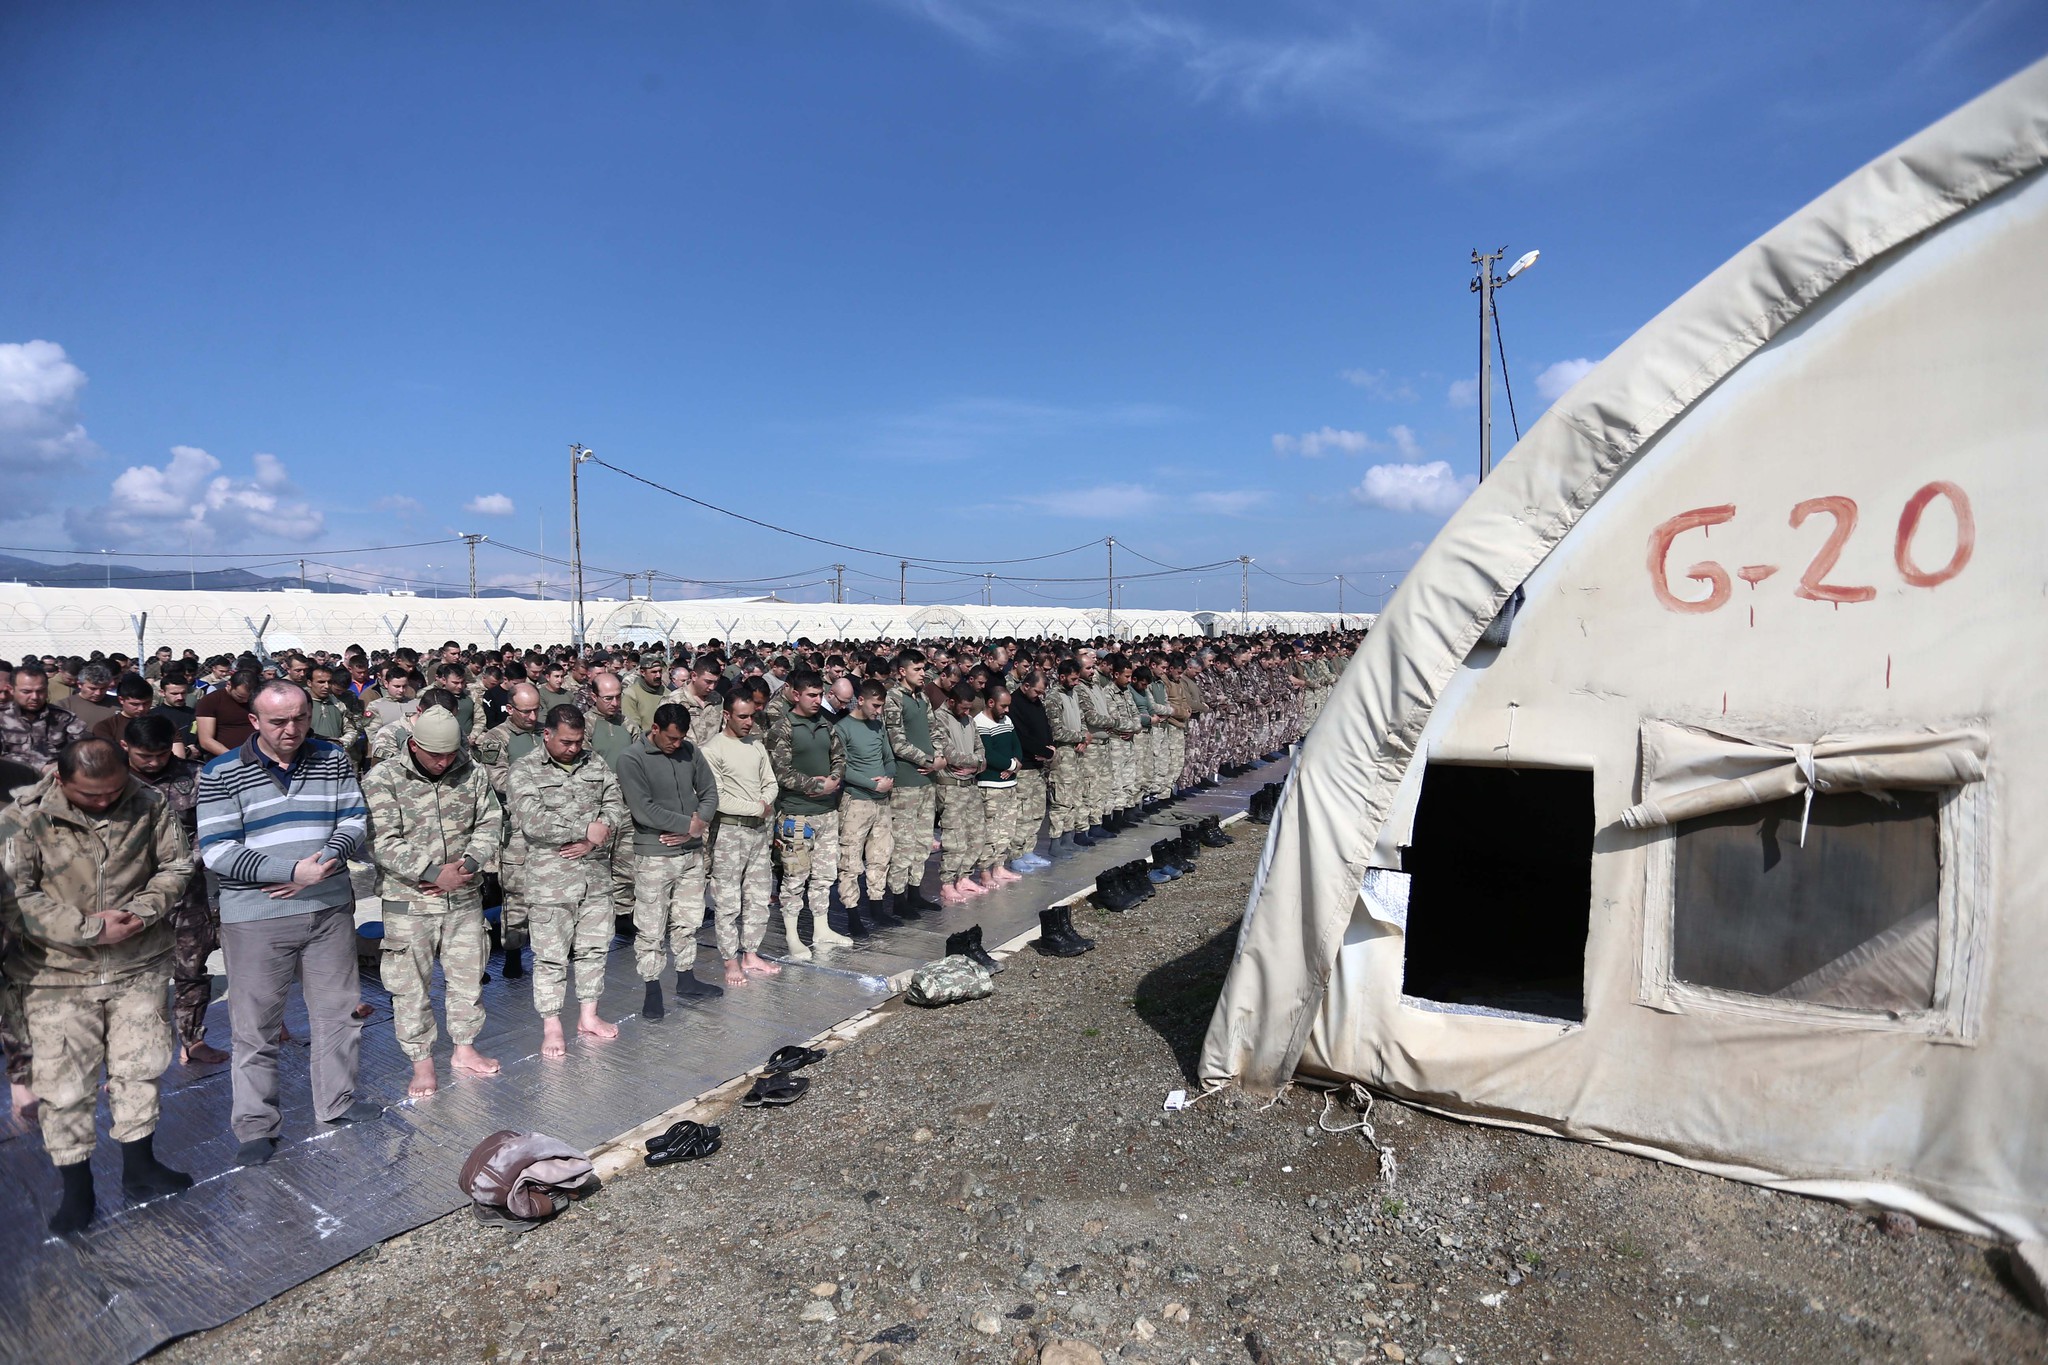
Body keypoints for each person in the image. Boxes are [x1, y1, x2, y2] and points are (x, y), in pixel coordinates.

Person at [0, 738, 196, 1233]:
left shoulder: (149, 802)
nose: (107, 802)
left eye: (114, 791)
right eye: (92, 796)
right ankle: (77, 1189)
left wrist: (142, 912)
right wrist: (91, 929)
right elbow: (13, 897)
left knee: (142, 1066)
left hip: (137, 964)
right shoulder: (22, 818)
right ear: (61, 781)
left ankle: (140, 1167)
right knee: (64, 1087)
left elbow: (176, 865)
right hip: (56, 975)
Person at [197, 680, 377, 1166]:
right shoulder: (220, 773)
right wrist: (289, 872)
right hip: (257, 917)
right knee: (255, 1026)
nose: (291, 729)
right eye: (278, 721)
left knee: (339, 1013)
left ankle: (337, 1103)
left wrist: (327, 860)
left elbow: (354, 817)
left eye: (300, 718)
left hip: (327, 909)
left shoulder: (332, 759)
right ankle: (256, 1125)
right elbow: (216, 849)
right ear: (254, 721)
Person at [362, 707, 503, 1099]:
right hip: (410, 901)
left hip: (463, 895)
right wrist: (430, 872)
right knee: (410, 986)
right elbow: (380, 839)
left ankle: (464, 1049)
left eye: (449, 754)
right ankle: (421, 1063)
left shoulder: (471, 771)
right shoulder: (383, 778)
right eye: (434, 756)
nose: (443, 763)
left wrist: (470, 863)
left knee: (467, 975)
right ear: (413, 744)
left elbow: (491, 820)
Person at [506, 705, 627, 1058]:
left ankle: (588, 1015)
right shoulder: (525, 769)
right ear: (547, 735)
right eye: (566, 742)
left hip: (594, 875)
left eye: (578, 742)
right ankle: (552, 1025)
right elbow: (532, 821)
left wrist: (595, 837)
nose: (573, 748)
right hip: (551, 880)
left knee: (594, 949)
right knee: (551, 957)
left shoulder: (593, 763)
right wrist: (580, 829)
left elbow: (615, 801)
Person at [122, 714, 226, 1065]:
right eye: (144, 756)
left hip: (186, 893)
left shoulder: (195, 776)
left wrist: (182, 865)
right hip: (130, 900)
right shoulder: (106, 779)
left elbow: (209, 829)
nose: (153, 762)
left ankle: (193, 1040)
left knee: (191, 968)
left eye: (161, 754)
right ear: (126, 747)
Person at [616, 702, 722, 1018]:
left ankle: (686, 978)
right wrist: (686, 825)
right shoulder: (631, 759)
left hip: (689, 852)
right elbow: (643, 808)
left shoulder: (690, 751)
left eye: (680, 739)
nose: (676, 745)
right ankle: (652, 988)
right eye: (670, 739)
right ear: (656, 729)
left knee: (688, 919)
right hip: (654, 855)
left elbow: (710, 792)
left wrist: (698, 824)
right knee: (650, 926)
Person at [764, 670, 850, 961]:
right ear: (795, 695)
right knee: (795, 877)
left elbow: (840, 756)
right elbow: (780, 772)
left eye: (819, 695)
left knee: (824, 876)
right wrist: (816, 785)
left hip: (826, 812)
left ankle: (821, 928)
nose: (816, 700)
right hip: (797, 815)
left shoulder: (826, 725)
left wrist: (834, 779)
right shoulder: (783, 728)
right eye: (811, 695)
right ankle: (792, 934)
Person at [701, 694, 782, 986]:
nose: (749, 723)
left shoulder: (757, 745)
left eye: (752, 717)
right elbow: (719, 798)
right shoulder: (712, 750)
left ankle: (751, 953)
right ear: (727, 715)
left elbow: (770, 783)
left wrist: (763, 803)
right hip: (729, 832)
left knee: (759, 894)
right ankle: (729, 960)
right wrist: (758, 807)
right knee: (727, 900)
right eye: (743, 717)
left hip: (758, 831)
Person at [472, 682, 544, 977]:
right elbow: (496, 777)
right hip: (515, 828)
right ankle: (513, 953)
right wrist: (538, 785)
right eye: (525, 711)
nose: (531, 716)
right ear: (510, 709)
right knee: (515, 894)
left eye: (536, 710)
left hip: (548, 824)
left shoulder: (545, 733)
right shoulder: (495, 739)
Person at [833, 678, 896, 936]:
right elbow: (841, 766)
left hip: (881, 801)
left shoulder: (878, 726)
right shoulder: (842, 727)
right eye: (875, 705)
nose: (878, 711)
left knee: (880, 856)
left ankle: (877, 906)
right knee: (850, 860)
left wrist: (888, 778)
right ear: (861, 700)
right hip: (857, 801)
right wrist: (871, 785)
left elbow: (888, 757)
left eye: (881, 706)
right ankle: (852, 912)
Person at [881, 649, 941, 918]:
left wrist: (939, 757)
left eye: (924, 669)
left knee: (922, 840)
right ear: (902, 671)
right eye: (917, 669)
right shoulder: (893, 698)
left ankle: (915, 891)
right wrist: (928, 759)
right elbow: (897, 741)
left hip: (926, 781)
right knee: (903, 843)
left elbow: (934, 730)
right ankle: (898, 897)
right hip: (906, 782)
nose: (923, 673)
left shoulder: (923, 698)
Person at [930, 682, 988, 905]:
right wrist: (977, 762)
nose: (967, 712)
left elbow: (981, 751)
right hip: (951, 786)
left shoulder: (969, 720)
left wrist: (976, 764)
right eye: (963, 708)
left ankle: (963, 877)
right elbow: (949, 754)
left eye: (969, 709)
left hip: (970, 784)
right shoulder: (939, 719)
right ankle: (947, 883)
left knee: (976, 834)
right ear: (951, 702)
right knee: (954, 838)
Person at [973, 684, 1027, 885]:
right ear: (990, 703)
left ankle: (999, 866)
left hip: (1009, 783)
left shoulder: (1007, 720)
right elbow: (987, 752)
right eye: (1003, 706)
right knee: (991, 830)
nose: (1007, 710)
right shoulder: (980, 722)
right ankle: (985, 871)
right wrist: (1010, 764)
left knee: (1007, 828)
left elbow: (1016, 745)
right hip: (991, 784)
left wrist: (1015, 765)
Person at [1006, 668, 1056, 869]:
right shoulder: (1014, 703)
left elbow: (1045, 727)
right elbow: (1020, 736)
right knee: (1023, 813)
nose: (1039, 696)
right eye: (1036, 691)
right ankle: (1016, 854)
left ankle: (1029, 850)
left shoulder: (1036, 703)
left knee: (1036, 812)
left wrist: (1049, 749)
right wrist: (1043, 750)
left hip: (1039, 766)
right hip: (1024, 766)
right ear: (1026, 686)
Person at [0, 661, 90, 770]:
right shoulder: (2, 717)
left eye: (40, 691)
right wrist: (41, 767)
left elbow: (84, 753)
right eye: (26, 691)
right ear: (11, 690)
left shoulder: (65, 719)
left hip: (54, 782)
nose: (34, 697)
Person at [194, 669, 259, 758]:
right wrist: (235, 758)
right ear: (229, 685)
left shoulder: (259, 699)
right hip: (227, 757)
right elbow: (206, 741)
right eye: (240, 697)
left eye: (249, 697)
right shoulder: (211, 701)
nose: (246, 701)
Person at [92, 672, 155, 746]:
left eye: (146, 703)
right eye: (135, 704)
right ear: (121, 700)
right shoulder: (106, 726)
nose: (141, 708)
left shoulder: (160, 723)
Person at [58, 662, 118, 732]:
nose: (98, 693)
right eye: (92, 689)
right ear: (80, 684)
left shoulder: (118, 704)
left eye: (103, 688)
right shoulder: (65, 706)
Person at [622, 654, 667, 735]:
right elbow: (632, 728)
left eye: (660, 671)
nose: (658, 675)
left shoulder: (668, 693)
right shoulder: (631, 694)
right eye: (654, 672)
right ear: (642, 672)